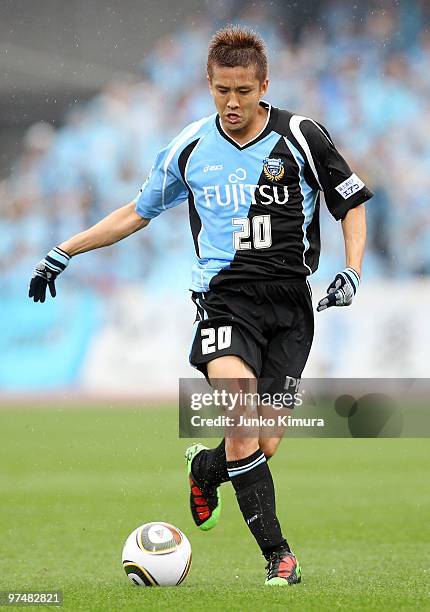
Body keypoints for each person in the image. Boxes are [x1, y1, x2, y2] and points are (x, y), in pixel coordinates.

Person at [29, 25, 372, 586]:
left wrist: (352, 272)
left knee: (261, 444)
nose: (232, 103)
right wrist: (63, 252)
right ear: (208, 84)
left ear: (265, 84)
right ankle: (279, 557)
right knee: (241, 418)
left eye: (242, 90)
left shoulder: (303, 136)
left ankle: (206, 468)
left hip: (291, 309)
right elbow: (136, 212)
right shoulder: (190, 146)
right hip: (223, 301)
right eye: (221, 91)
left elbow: (351, 203)